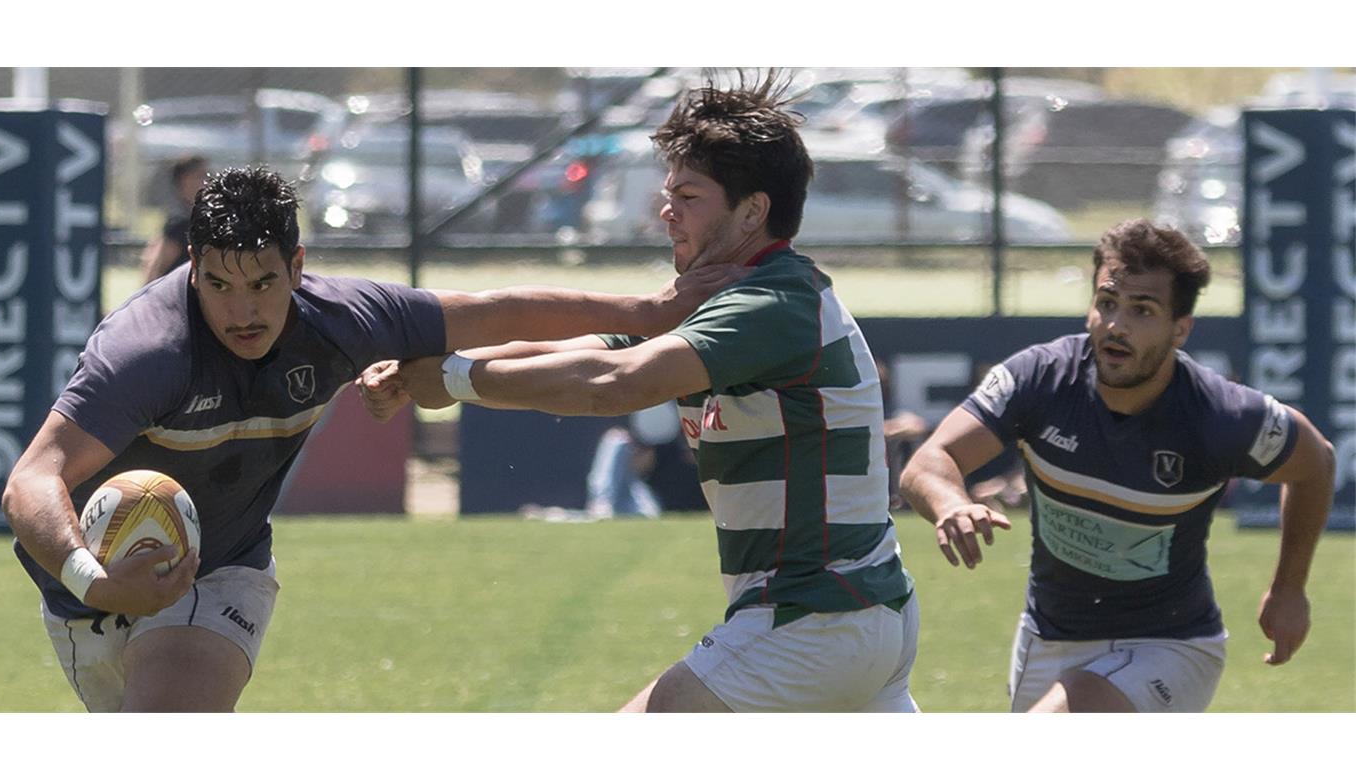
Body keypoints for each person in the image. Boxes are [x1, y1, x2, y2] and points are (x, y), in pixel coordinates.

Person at [1, 165, 739, 713]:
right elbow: (33, 480)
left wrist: (650, 309)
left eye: (262, 281)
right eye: (220, 285)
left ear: (297, 265)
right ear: (194, 271)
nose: (243, 309)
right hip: (83, 595)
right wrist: (96, 581)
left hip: (220, 571)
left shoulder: (340, 318)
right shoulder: (147, 351)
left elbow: (489, 311)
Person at [361, 73, 919, 713]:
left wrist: (456, 380)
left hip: (814, 617)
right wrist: (432, 373)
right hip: (863, 613)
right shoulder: (726, 298)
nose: (666, 212)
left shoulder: (769, 303)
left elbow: (611, 385)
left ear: (753, 210)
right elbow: (581, 353)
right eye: (668, 194)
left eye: (688, 196)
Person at [898, 218, 1336, 713]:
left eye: (1142, 310)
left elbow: (1315, 463)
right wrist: (952, 502)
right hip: (1048, 636)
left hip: (1170, 644)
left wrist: (1289, 589)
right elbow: (929, 462)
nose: (1116, 325)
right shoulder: (1038, 380)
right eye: (1107, 303)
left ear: (1180, 329)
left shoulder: (1223, 416)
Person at [140, 154, 209, 284]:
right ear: (184, 181)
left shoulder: (205, 219)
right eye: (200, 176)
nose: (206, 181)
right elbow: (156, 267)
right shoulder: (179, 224)